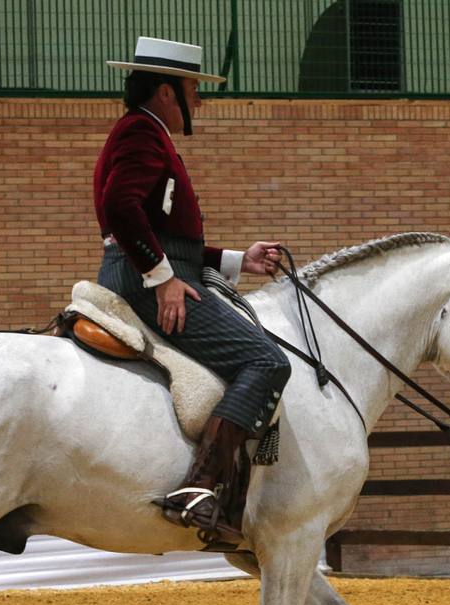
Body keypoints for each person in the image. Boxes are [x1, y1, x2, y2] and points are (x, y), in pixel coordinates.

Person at [94, 37, 291, 545]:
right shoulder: (142, 134)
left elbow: (165, 235)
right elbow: (121, 208)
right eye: (193, 89)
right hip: (142, 281)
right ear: (166, 92)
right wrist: (162, 279)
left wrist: (235, 261)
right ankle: (202, 486)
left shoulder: (145, 133)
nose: (200, 100)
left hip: (153, 269)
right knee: (268, 361)